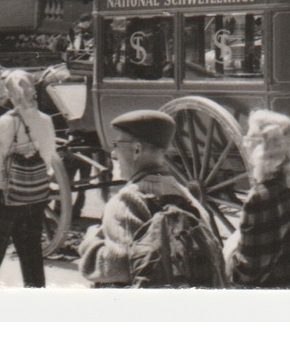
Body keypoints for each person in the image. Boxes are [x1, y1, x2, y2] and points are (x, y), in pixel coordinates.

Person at [79, 110, 222, 288]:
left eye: (117, 145)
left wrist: (90, 242)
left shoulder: (126, 201)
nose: (114, 154)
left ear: (136, 149)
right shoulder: (186, 196)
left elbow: (117, 266)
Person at [225, 110, 290, 288]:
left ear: (263, 148)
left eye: (249, 140)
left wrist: (228, 252)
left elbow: (246, 273)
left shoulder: (261, 198)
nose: (245, 146)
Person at [0, 70, 58, 288]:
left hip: (2, 195)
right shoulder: (47, 121)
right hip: (35, 196)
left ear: (12, 95)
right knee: (32, 257)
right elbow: (48, 156)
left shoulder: (6, 122)